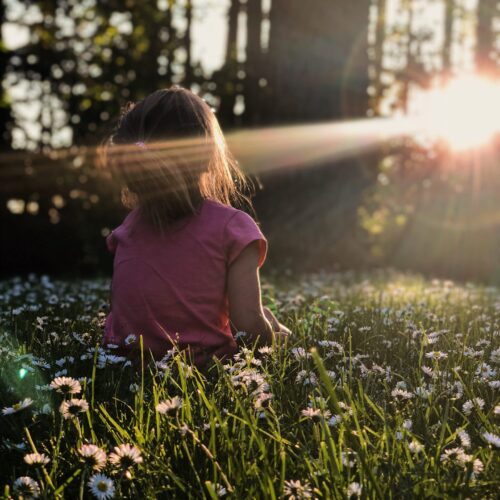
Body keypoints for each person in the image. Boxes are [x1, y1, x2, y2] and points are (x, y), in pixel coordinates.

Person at [98, 86, 291, 367]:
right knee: (267, 322)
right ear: (207, 155)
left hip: (127, 366)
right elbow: (247, 326)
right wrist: (279, 340)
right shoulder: (232, 228)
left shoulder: (128, 230)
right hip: (205, 370)